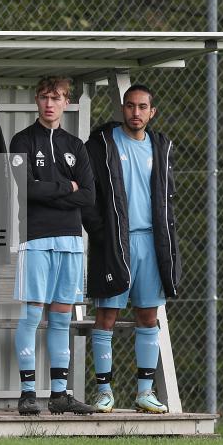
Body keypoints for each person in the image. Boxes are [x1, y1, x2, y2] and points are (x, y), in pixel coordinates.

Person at [82, 84, 180, 414]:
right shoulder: (103, 144)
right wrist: (99, 232)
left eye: (142, 107)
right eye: (129, 106)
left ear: (152, 112)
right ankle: (104, 393)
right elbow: (88, 193)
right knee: (107, 315)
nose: (135, 113)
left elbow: (166, 198)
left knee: (147, 315)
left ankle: (144, 392)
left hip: (152, 244)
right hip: (116, 242)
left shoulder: (161, 146)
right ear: (122, 109)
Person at [8, 76, 96, 416]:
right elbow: (24, 188)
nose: (50, 103)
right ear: (36, 100)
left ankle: (59, 393)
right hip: (35, 239)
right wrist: (67, 189)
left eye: (56, 97)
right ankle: (28, 392)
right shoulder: (22, 140)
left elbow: (88, 196)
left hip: (72, 242)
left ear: (66, 102)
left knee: (61, 318)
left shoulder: (76, 145)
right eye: (44, 96)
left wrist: (52, 190)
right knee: (31, 315)